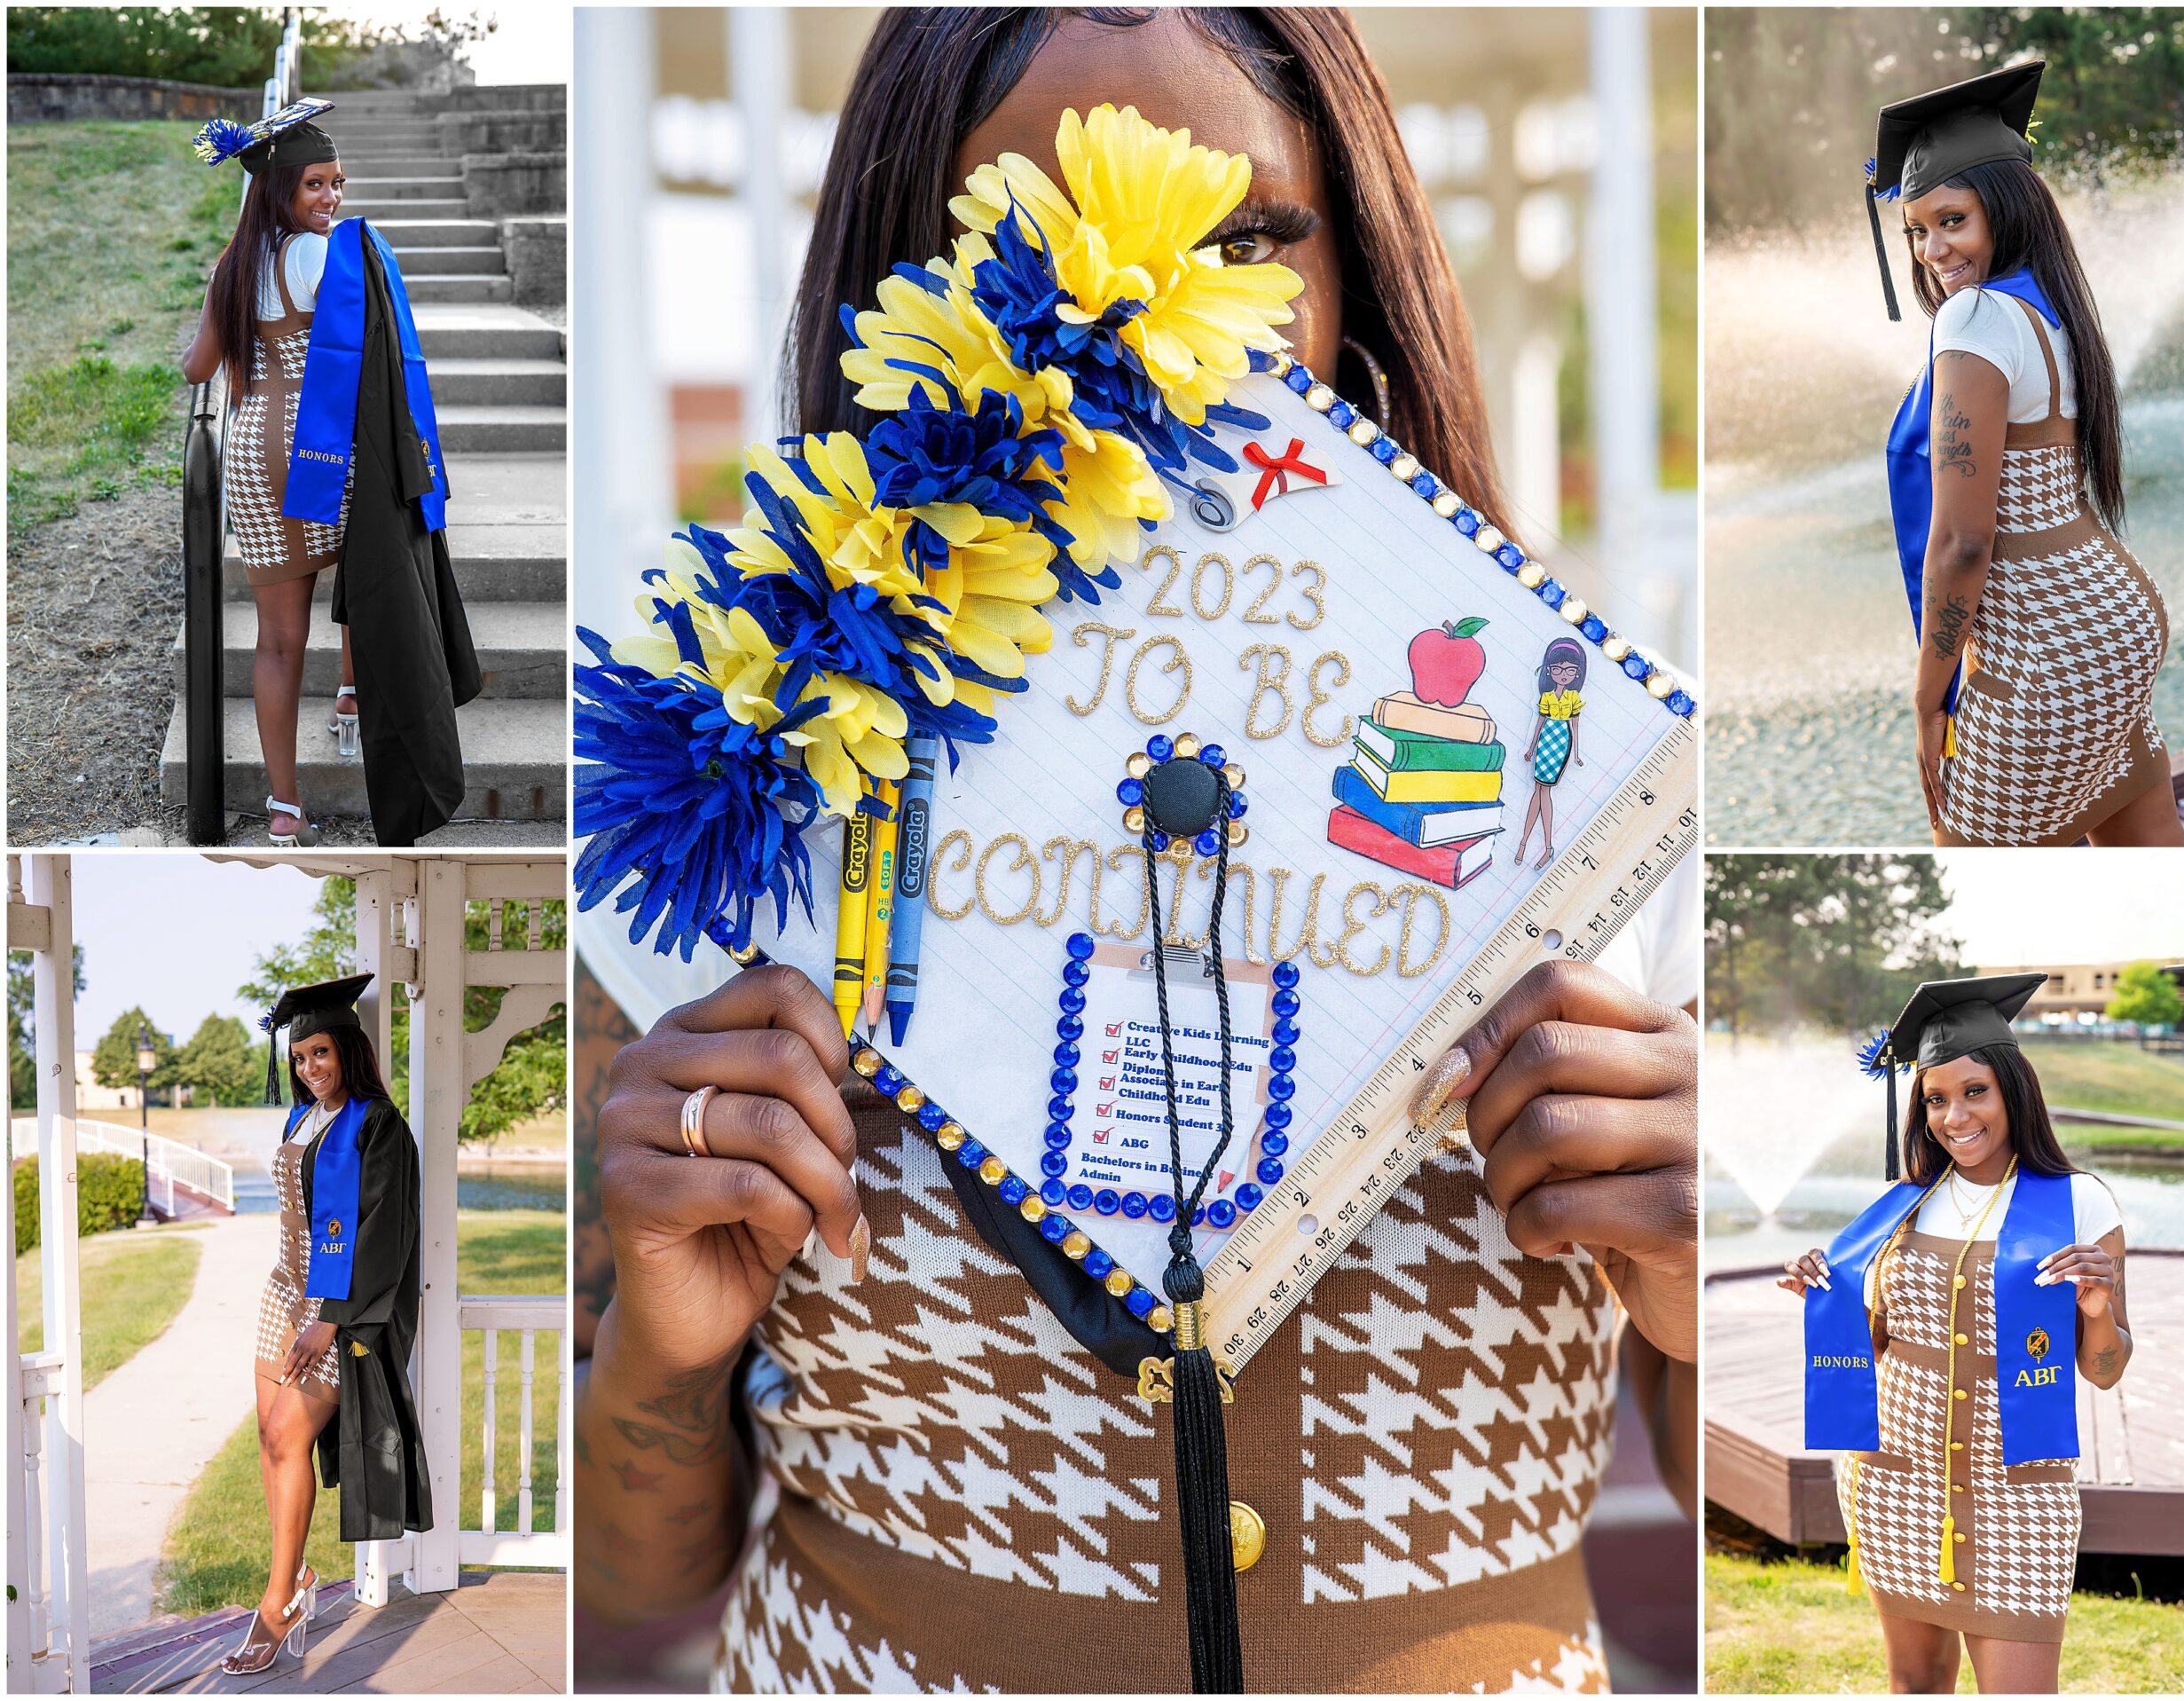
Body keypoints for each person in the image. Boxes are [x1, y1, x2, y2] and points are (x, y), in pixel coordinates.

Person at [575, 11, 1698, 1692]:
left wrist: (1702, 1286)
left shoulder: (1593, 796)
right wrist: (658, 1347)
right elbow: (632, 1583)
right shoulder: (739, 824)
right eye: (1033, 250)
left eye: (1246, 240)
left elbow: (1753, 1486)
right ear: (903, 282)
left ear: (1354, 280)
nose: (1150, 333)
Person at [1780, 974, 2131, 1694]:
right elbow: (1875, 1342)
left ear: (2012, 1090)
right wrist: (1824, 1294)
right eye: (1935, 1098)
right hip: (1896, 1480)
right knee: (1915, 1685)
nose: (1954, 1115)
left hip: (2019, 1489)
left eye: (1974, 1091)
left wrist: (2098, 1311)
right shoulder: (1901, 1208)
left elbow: (2105, 1369)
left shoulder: (2078, 1202)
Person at [1866, 62, 2181, 847]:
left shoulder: (1974, 317)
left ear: (2002, 210)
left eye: (1953, 220)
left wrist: (1926, 698)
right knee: (2144, 845)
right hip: (2113, 617)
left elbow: (1963, 542)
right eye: (1918, 229)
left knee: (1967, 855)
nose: (1933, 248)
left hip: (2043, 646)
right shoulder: (2050, 306)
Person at [185, 102, 482, 847]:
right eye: (315, 184)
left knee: (278, 639)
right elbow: (363, 364)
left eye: (339, 184)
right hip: (323, 449)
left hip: (254, 454)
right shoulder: (325, 257)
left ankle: (285, 809)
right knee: (365, 574)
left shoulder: (232, 263)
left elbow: (195, 366)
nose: (332, 200)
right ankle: (351, 699)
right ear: (280, 186)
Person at [221, 973, 432, 1676]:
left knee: (289, 1432)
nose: (311, 1069)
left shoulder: (378, 1126)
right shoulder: (300, 1118)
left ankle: (278, 1601)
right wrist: (296, 1299)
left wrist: (334, 1319)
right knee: (270, 1439)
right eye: (300, 1057)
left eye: (321, 1053)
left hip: (333, 1305)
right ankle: (299, 1576)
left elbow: (386, 1232)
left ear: (348, 1048)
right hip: (283, 1290)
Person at [1514, 636, 1586, 870]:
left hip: (1561, 739)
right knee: (1539, 790)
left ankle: (1538, 845)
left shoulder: (1573, 698)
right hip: (1546, 738)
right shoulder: (1546, 697)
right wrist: (1531, 748)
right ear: (1549, 671)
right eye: (1557, 669)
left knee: (1544, 791)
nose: (1563, 674)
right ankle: (1534, 844)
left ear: (1577, 673)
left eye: (1570, 670)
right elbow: (1538, 724)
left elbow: (1575, 725)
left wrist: (1576, 753)